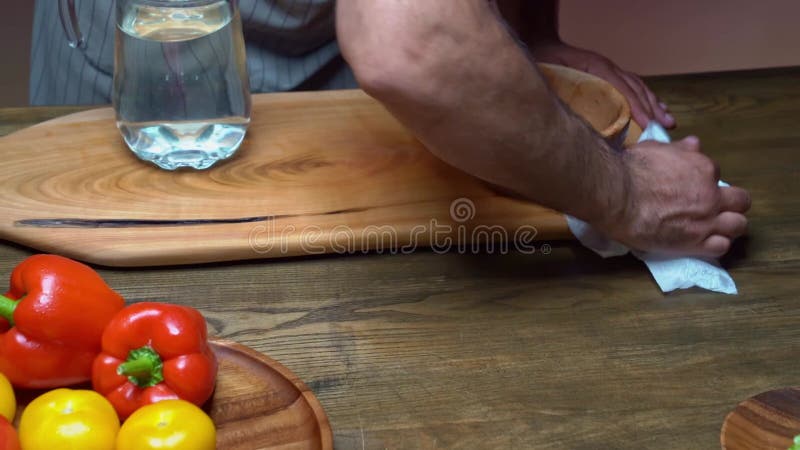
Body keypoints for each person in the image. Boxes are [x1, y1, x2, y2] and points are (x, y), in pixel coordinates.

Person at [30, 0, 750, 258]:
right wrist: (627, 195)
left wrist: (528, 34)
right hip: (163, 60)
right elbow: (414, 45)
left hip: (352, 54)